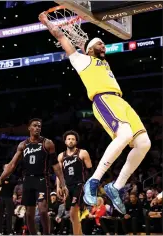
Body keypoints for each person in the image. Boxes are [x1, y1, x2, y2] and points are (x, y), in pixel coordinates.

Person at [38, 12, 151, 214]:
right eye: (100, 44)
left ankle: (115, 187)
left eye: (103, 44)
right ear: (90, 49)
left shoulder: (101, 61)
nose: (104, 46)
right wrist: (47, 22)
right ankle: (94, 180)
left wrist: (85, 40)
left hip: (120, 100)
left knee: (144, 144)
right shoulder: (81, 61)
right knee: (124, 135)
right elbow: (62, 37)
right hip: (104, 99)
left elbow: (85, 43)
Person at [0, 118, 68, 235]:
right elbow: (12, 164)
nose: (37, 128)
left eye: (39, 126)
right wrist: (0, 179)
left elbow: (56, 165)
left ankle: (47, 234)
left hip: (42, 179)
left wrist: (63, 183)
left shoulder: (47, 143)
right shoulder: (23, 145)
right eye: (35, 126)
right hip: (28, 179)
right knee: (29, 214)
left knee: (43, 210)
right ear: (29, 128)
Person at [56, 130, 92, 235]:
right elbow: (59, 173)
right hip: (67, 187)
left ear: (76, 141)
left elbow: (90, 171)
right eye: (69, 139)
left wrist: (89, 186)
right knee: (72, 215)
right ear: (65, 142)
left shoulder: (82, 153)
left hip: (79, 185)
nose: (71, 141)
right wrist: (58, 187)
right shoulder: (61, 156)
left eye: (73, 139)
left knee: (73, 213)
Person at [0, 164, 17, 235]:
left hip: (9, 198)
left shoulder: (13, 177)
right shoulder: (0, 177)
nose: (7, 168)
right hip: (1, 197)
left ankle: (9, 232)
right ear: (3, 169)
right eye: (6, 167)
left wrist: (7, 182)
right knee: (0, 215)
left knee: (9, 215)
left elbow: (14, 183)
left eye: (8, 167)